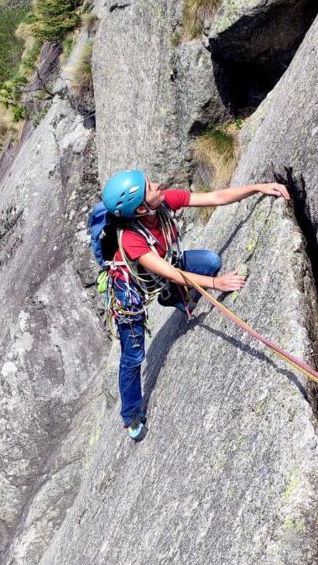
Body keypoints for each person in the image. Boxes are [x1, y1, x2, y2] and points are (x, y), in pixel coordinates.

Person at [101, 170, 290, 442]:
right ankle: (131, 414)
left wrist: (259, 187)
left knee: (210, 261)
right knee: (133, 356)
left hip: (163, 266)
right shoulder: (132, 239)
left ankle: (172, 297)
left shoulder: (162, 203)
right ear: (141, 207)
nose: (157, 184)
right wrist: (217, 284)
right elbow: (169, 272)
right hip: (129, 288)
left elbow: (215, 196)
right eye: (150, 186)